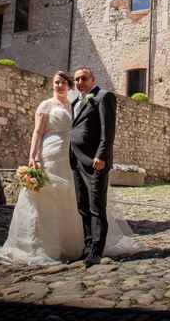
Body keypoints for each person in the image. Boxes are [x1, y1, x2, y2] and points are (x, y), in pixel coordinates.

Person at [0, 71, 140, 268]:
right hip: (51, 156)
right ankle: (49, 245)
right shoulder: (46, 105)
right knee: (59, 200)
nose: (60, 86)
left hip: (74, 159)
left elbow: (101, 131)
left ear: (71, 86)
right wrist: (33, 156)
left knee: (78, 202)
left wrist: (99, 155)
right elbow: (37, 132)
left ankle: (84, 247)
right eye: (56, 83)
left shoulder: (77, 103)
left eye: (63, 83)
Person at [69, 67, 116, 266]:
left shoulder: (103, 96)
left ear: (92, 79)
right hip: (77, 160)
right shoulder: (75, 102)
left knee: (97, 206)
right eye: (77, 79)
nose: (80, 82)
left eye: (84, 78)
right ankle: (87, 247)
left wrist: (101, 156)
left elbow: (108, 131)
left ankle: (96, 251)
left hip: (96, 162)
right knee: (83, 207)